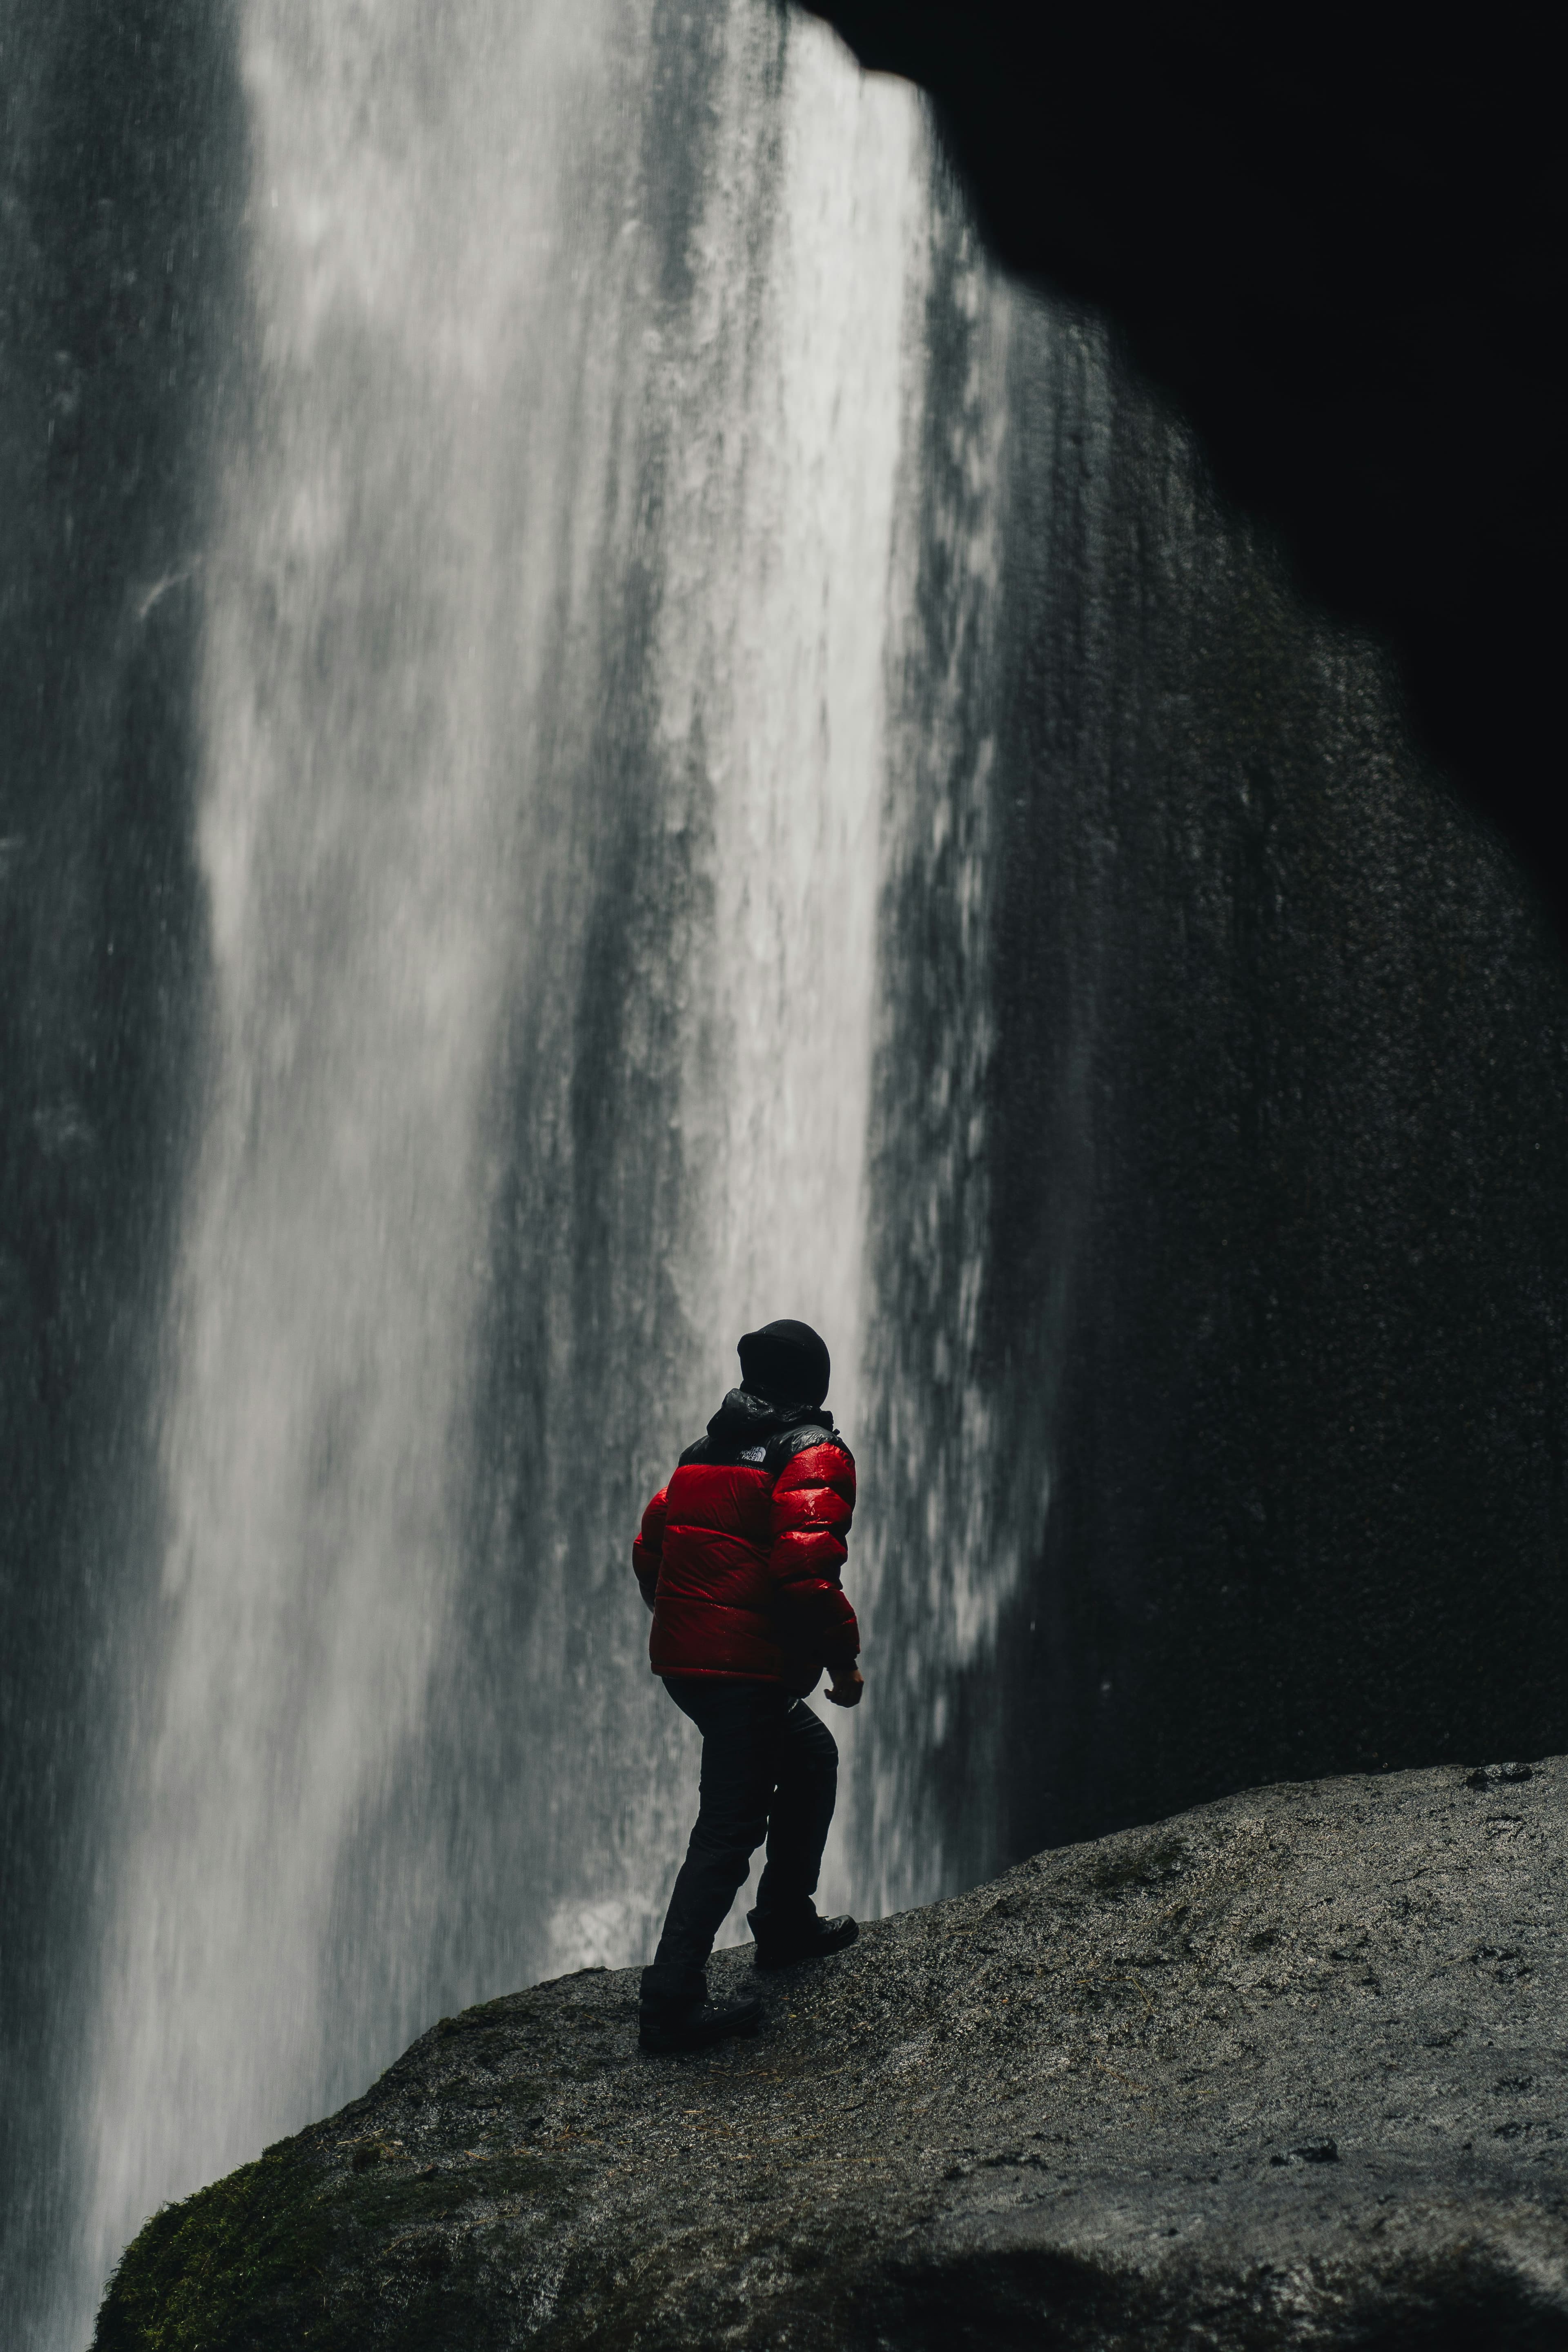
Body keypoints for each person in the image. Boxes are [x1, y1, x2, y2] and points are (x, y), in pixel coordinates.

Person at [632, 1318, 864, 2054]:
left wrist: (688, 1629)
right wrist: (842, 1661)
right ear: (815, 1384)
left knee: (808, 1756)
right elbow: (804, 1566)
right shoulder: (812, 1451)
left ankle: (786, 1922)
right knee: (731, 1826)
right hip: (743, 1672)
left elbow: (651, 1548)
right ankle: (670, 2002)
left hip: (695, 1667)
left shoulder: (702, 1454)